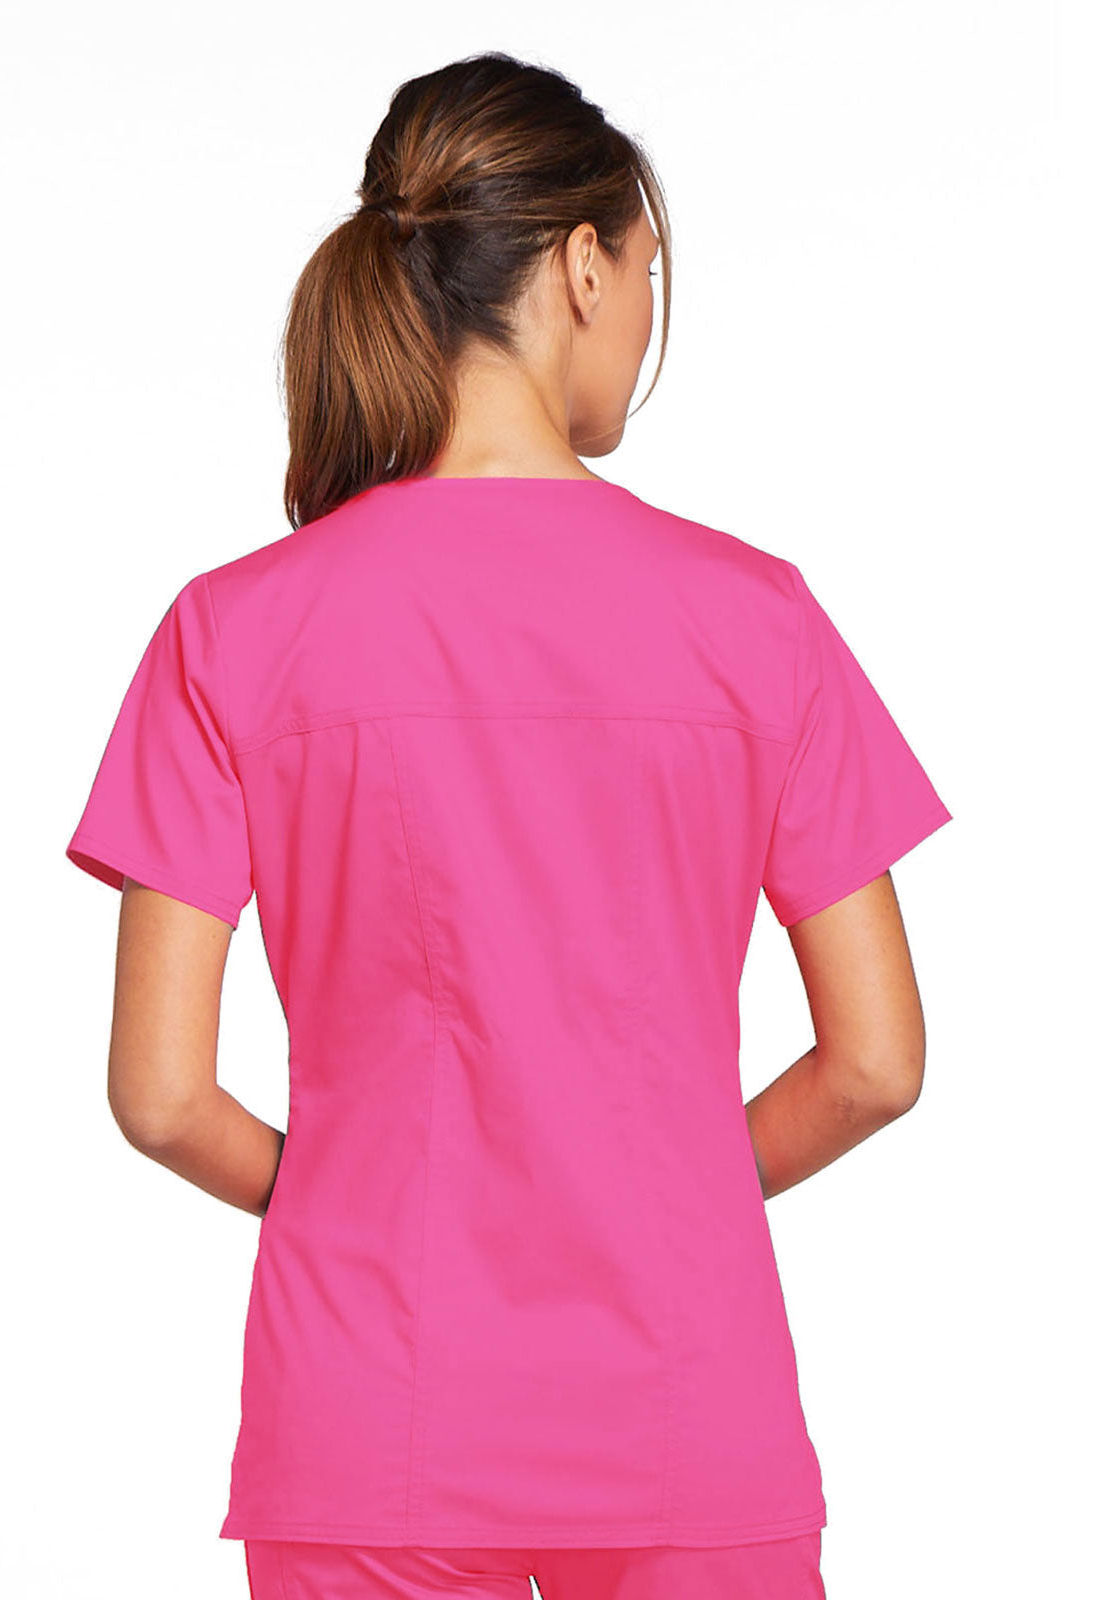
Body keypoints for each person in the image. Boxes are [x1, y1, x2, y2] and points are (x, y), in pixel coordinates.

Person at [65, 50, 952, 1600]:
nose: (647, 317)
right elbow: (875, 1062)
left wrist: (342, 1198)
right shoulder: (757, 620)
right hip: (690, 1412)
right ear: (584, 265)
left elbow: (159, 1095)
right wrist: (664, 1185)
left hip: (369, 1413)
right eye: (650, 271)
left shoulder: (234, 630)